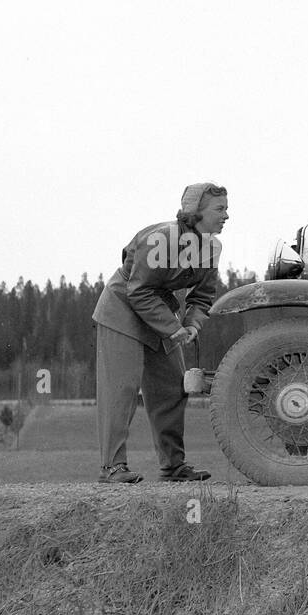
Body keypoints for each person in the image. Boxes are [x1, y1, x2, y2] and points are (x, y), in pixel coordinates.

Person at [92, 182, 228, 483]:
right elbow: (138, 292)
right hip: (122, 311)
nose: (226, 216)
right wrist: (174, 328)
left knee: (171, 387)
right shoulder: (159, 239)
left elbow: (202, 295)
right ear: (195, 212)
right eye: (219, 209)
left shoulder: (211, 248)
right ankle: (112, 467)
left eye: (226, 209)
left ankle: (173, 466)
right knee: (122, 389)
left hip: (161, 314)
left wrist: (191, 324)